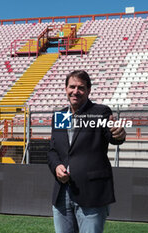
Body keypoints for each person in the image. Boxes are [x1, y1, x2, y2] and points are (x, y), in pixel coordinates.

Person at [47, 70, 126, 233]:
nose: (75, 91)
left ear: (88, 91)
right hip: (62, 194)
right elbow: (53, 151)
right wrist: (56, 168)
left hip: (91, 194)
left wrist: (118, 134)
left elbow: (112, 136)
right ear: (65, 89)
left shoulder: (100, 112)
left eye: (81, 88)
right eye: (72, 87)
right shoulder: (60, 116)